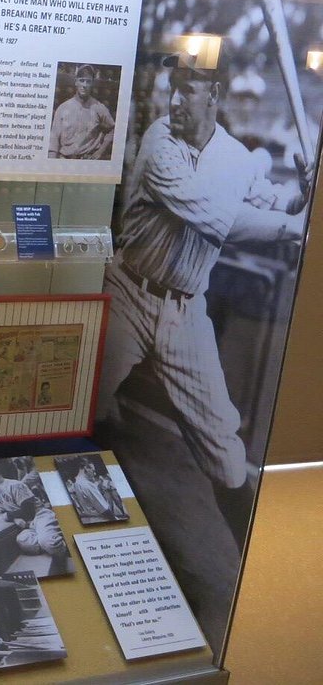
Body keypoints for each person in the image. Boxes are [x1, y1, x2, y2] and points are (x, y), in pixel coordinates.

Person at [98, 51, 310, 549]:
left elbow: (280, 205)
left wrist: (306, 190)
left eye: (188, 90)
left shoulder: (236, 157)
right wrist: (294, 224)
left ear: (213, 96)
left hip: (186, 309)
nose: (174, 100)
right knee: (83, 405)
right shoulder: (159, 144)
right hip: (128, 291)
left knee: (222, 442)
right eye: (173, 87)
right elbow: (216, 217)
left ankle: (255, 561)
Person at [0, 460, 68, 562]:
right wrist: (14, 518)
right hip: (27, 524)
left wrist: (8, 516)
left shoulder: (15, 485)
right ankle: (50, 538)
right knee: (23, 541)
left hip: (39, 516)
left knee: (48, 543)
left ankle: (64, 550)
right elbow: (3, 510)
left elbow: (29, 511)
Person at [48, 64, 115, 160]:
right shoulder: (63, 108)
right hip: (66, 160)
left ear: (92, 84)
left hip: (87, 161)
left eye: (88, 82)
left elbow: (113, 129)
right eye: (81, 80)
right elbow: (53, 142)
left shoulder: (98, 108)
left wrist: (100, 152)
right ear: (76, 82)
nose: (84, 85)